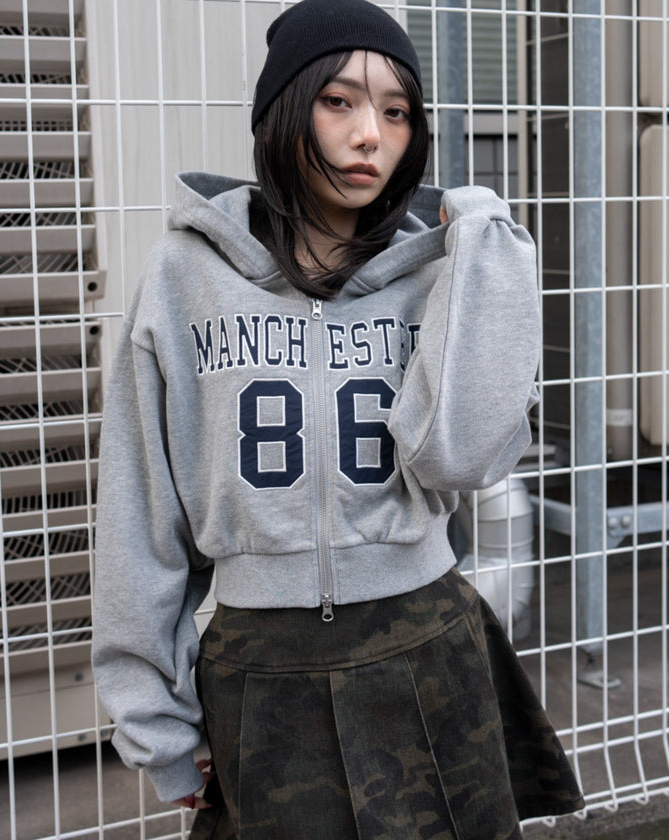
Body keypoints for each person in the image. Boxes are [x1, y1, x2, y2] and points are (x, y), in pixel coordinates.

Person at [92, 1, 584, 837]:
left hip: (429, 647)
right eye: (338, 101)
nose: (369, 136)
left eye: (396, 112)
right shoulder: (184, 275)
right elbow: (140, 514)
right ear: (285, 108)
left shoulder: (439, 272)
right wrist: (156, 725)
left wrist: (489, 249)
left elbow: (464, 458)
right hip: (261, 667)